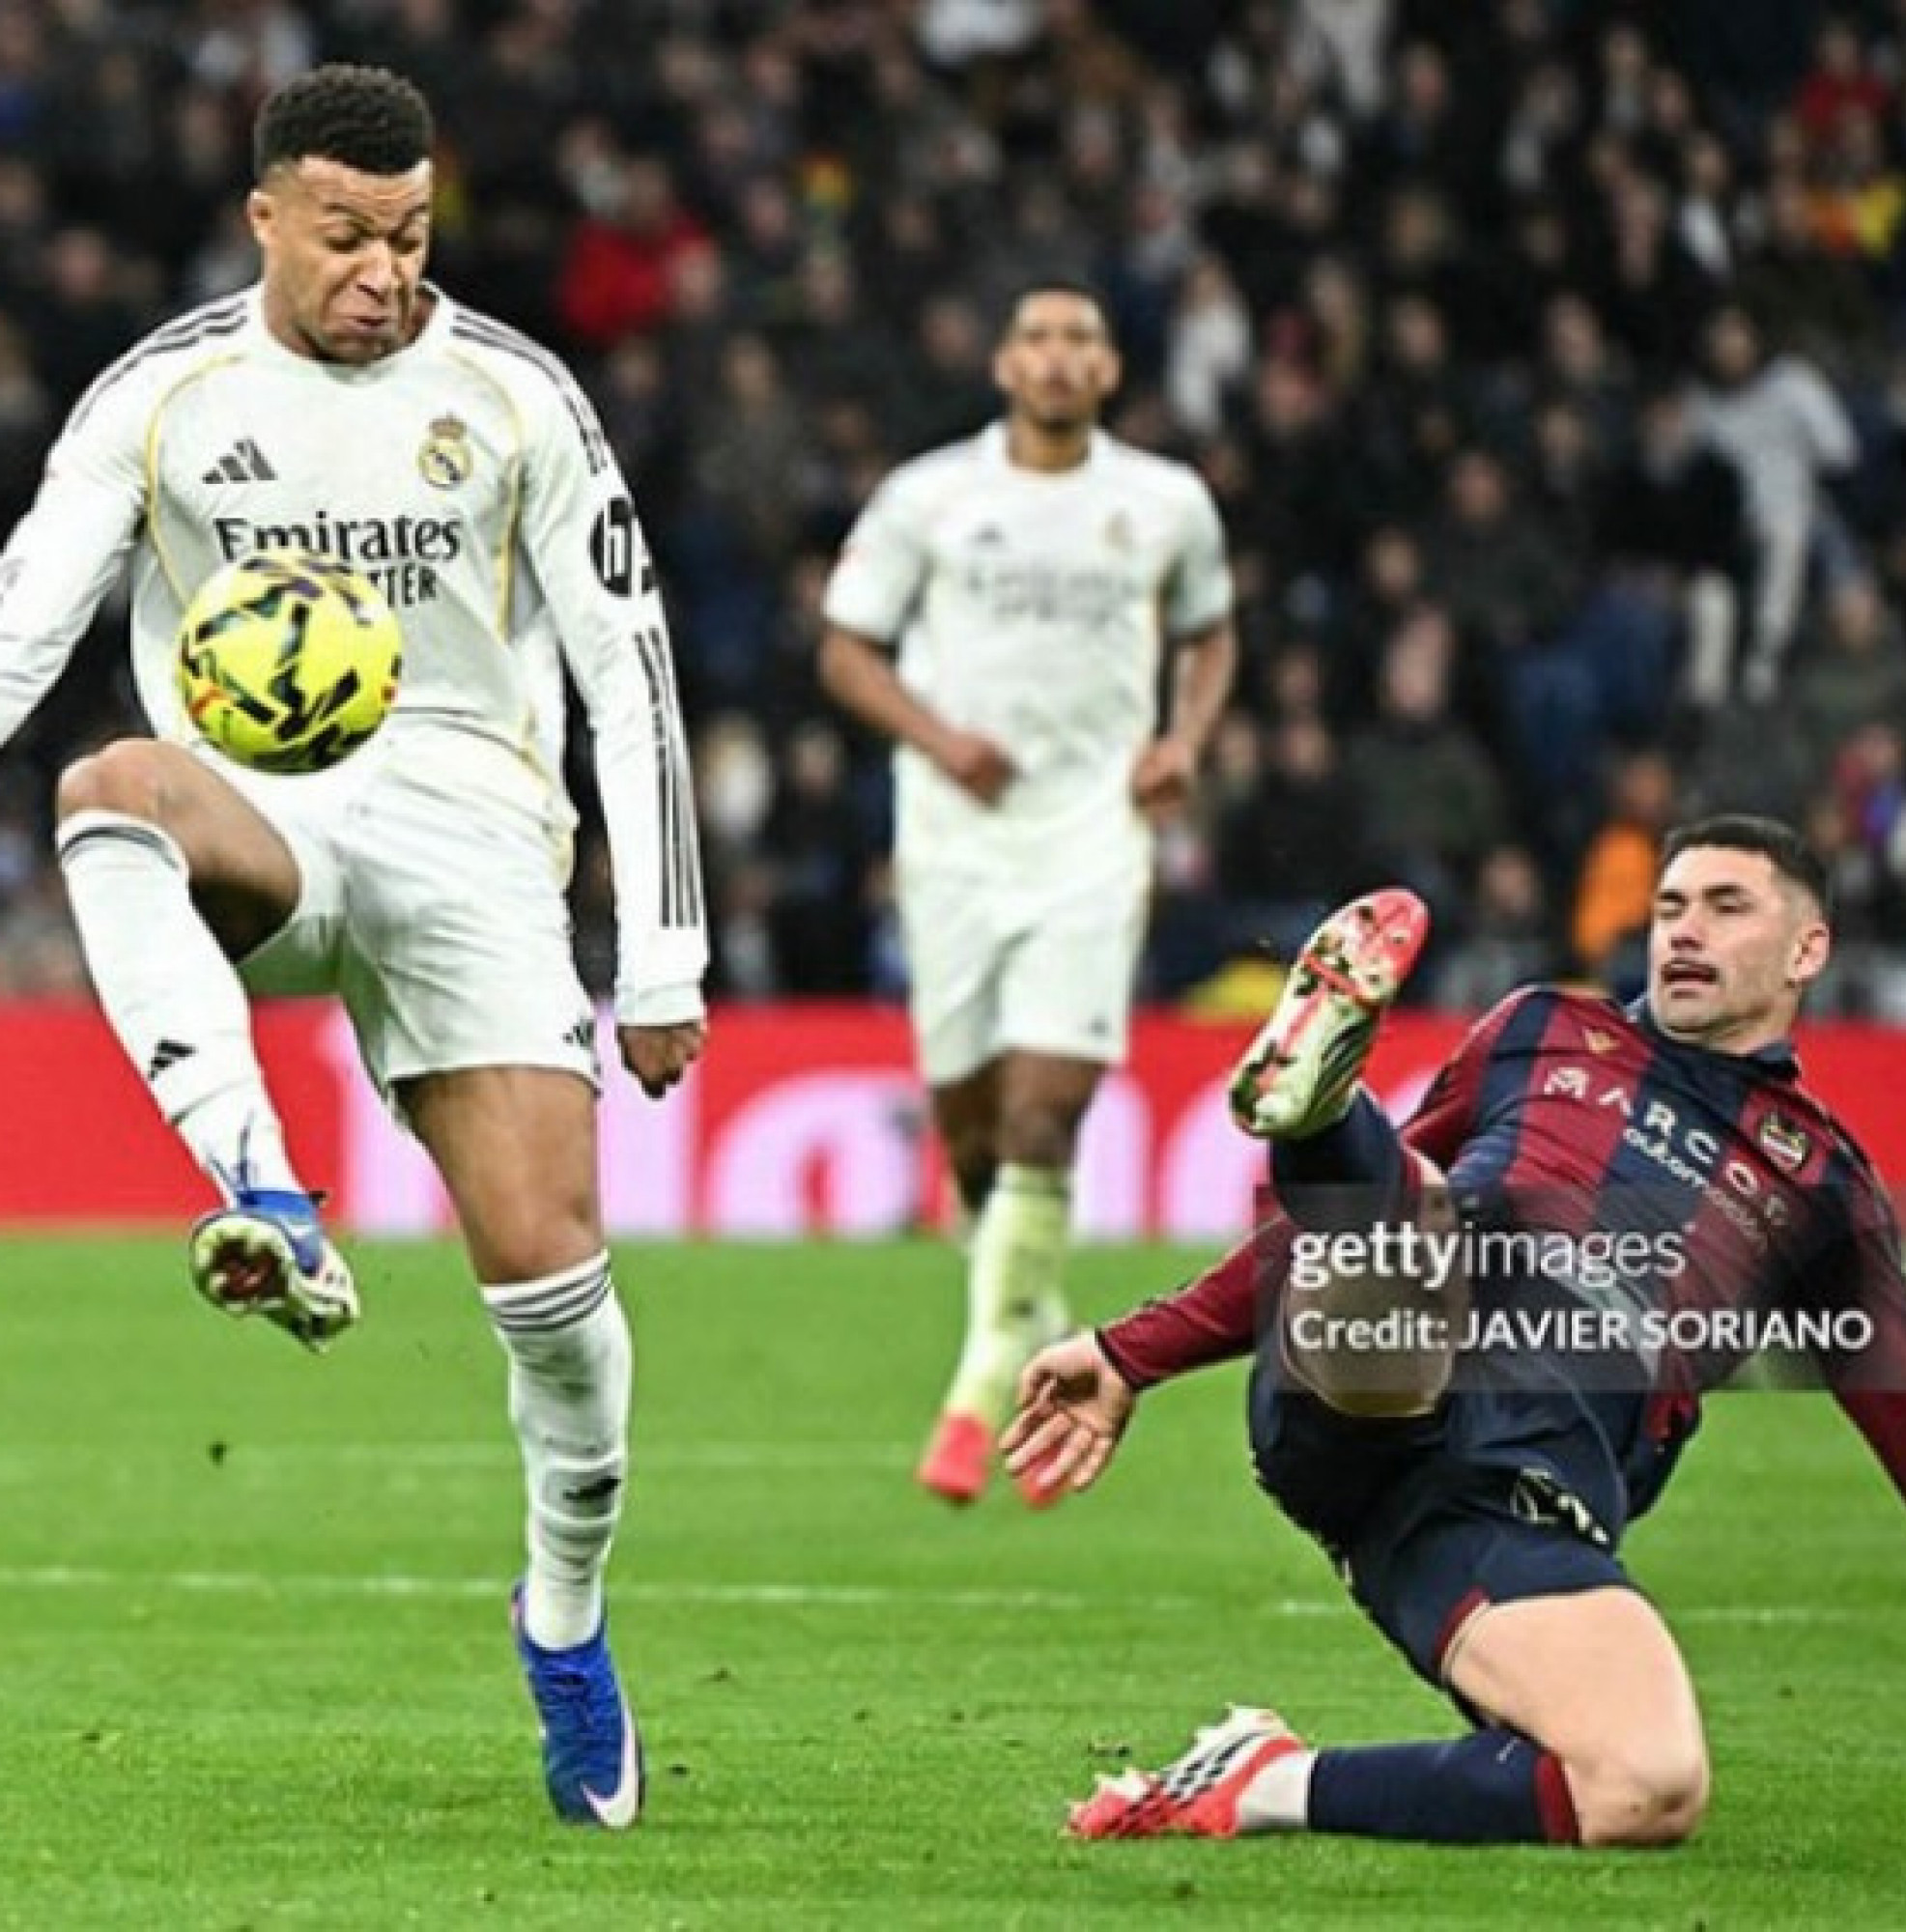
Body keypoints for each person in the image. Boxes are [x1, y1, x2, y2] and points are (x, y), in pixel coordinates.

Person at [0, 67, 707, 1831]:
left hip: (475, 844)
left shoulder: (517, 396)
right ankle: (265, 1188)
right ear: (265, 219)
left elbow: (632, 668)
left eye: (409, 234)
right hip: (269, 815)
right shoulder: (165, 398)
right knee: (107, 785)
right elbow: (28, 619)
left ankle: (563, 1617)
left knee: (557, 1307)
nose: (384, 271)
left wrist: (669, 951)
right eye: (345, 237)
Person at [1005, 815, 1906, 1847]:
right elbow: (1319, 1240)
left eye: (1723, 907)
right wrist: (1134, 1350)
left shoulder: (1821, 1189)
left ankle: (1260, 1779)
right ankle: (1322, 1108)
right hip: (1376, 1368)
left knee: (1643, 1783)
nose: (1680, 930)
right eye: (1667, 905)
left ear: (1807, 950)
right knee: (1415, 1219)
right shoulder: (1543, 1029)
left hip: (1509, 1500)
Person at [818, 280, 1237, 1505]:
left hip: (1091, 836)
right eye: (1038, 340)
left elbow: (1209, 632)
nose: (1058, 360)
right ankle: (1039, 1310)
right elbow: (845, 647)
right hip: (952, 840)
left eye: (1082, 342)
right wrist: (937, 737)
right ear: (1005, 363)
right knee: (976, 1140)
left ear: (1108, 370)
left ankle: (982, 1377)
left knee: (1047, 1111)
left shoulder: (1162, 502)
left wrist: (1184, 738)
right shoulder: (929, 496)